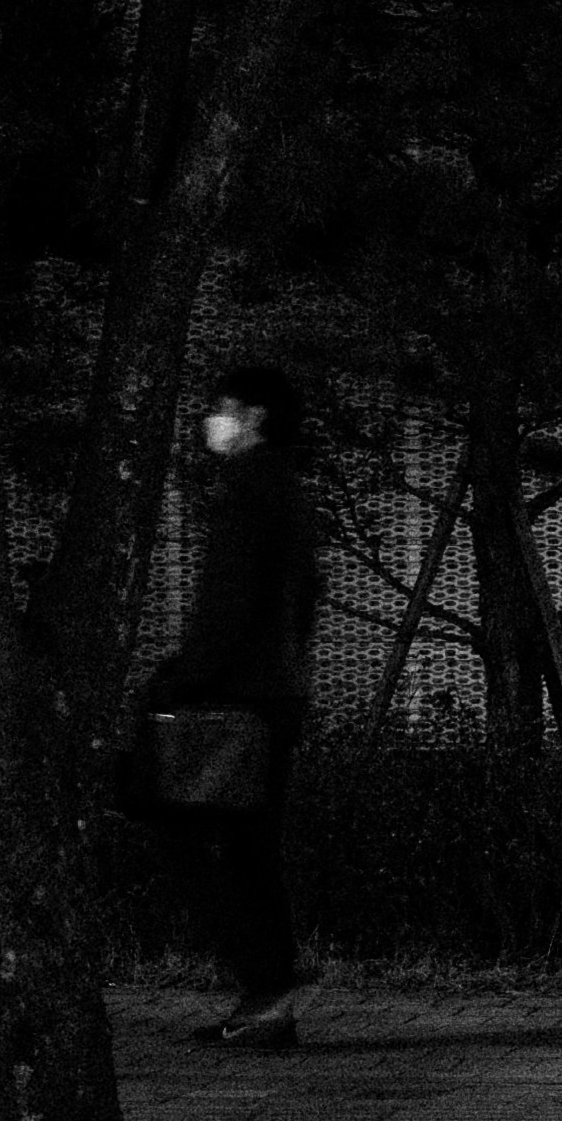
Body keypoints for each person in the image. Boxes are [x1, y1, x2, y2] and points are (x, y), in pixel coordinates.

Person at [149, 362, 320, 1047]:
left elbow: (225, 608)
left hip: (238, 699)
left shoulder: (246, 490)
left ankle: (266, 983)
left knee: (202, 840)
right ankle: (270, 993)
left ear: (251, 416)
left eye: (221, 407)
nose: (210, 419)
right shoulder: (291, 491)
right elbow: (301, 596)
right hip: (275, 695)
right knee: (250, 845)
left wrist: (175, 680)